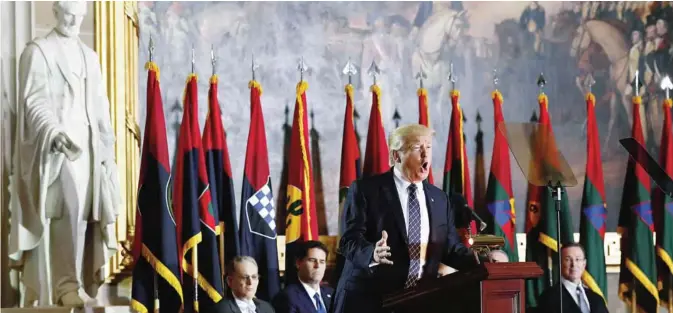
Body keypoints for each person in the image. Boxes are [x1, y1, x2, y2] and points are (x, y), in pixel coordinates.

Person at [9, 1, 120, 307]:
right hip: (56, 149)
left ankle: (77, 281)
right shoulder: (38, 52)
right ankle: (64, 285)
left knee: (85, 215)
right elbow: (33, 101)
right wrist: (54, 133)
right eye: (69, 14)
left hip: (89, 148)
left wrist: (108, 149)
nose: (74, 20)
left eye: (79, 16)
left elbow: (100, 107)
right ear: (56, 12)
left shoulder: (90, 57)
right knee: (67, 209)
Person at [331, 124, 483, 313]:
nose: (425, 155)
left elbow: (449, 248)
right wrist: (372, 253)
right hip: (368, 300)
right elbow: (349, 240)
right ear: (396, 156)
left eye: (428, 147)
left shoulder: (440, 199)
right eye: (417, 148)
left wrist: (482, 260)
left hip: (417, 300)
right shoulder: (366, 190)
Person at [535, 243, 608, 313]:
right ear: (560, 264)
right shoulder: (548, 298)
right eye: (568, 260)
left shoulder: (597, 299)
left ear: (584, 264)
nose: (574, 264)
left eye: (578, 259)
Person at [272, 241, 333, 313]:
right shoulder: (287, 297)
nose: (318, 266)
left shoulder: (332, 293)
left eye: (322, 262)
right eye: (312, 260)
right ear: (298, 263)